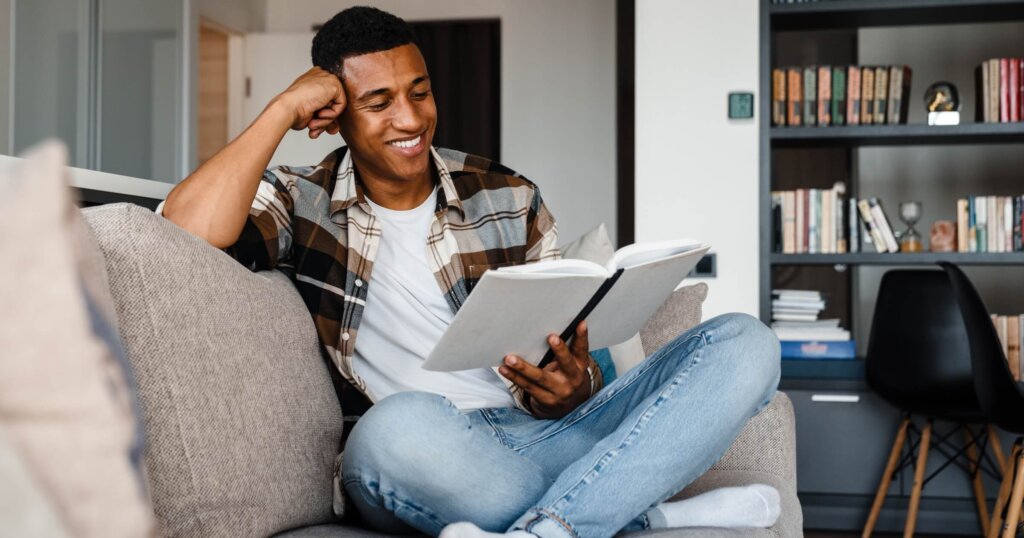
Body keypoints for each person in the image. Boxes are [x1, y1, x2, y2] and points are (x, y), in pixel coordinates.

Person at [160, 7, 782, 538]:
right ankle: (639, 513)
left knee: (745, 343)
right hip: (431, 451)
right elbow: (183, 228)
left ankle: (552, 527)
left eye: (420, 92)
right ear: (336, 114)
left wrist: (578, 384)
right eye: (377, 103)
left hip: (543, 437)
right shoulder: (303, 200)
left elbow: (562, 354)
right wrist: (281, 109)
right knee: (395, 428)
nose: (409, 119)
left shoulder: (509, 195)